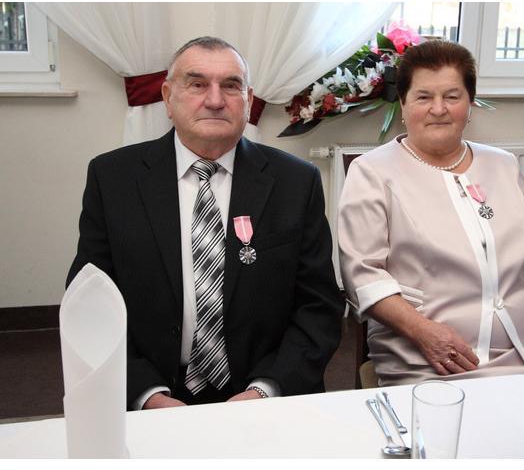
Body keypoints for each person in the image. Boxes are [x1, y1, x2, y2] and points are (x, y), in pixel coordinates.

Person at [67, 36, 343, 409]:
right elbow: (89, 304)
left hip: (264, 393)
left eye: (230, 86)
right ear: (168, 98)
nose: (215, 100)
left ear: (248, 100)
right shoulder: (113, 179)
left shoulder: (296, 182)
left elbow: (319, 306)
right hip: (152, 394)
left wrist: (266, 390)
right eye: (197, 84)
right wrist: (147, 396)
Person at [338, 40, 524, 386]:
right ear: (403, 103)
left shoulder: (503, 164)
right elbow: (364, 277)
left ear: (470, 105)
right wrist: (423, 332)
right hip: (434, 358)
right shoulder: (372, 172)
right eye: (424, 97)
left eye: (452, 97)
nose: (439, 109)